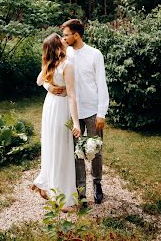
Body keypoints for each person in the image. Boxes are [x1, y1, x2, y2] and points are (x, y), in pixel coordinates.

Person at [47, 19, 109, 204]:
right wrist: (49, 87)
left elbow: (102, 84)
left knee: (95, 150)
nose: (64, 38)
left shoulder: (94, 54)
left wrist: (101, 113)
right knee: (76, 153)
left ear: (77, 34)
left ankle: (97, 183)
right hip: (70, 111)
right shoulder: (64, 54)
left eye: (66, 35)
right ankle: (80, 191)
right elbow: (49, 72)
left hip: (91, 111)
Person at [31, 32, 81, 208]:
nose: (63, 39)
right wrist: (76, 122)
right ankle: (61, 196)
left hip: (50, 107)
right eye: (61, 38)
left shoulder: (50, 63)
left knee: (53, 146)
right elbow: (72, 96)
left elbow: (39, 81)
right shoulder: (66, 65)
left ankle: (47, 185)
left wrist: (48, 86)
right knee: (60, 149)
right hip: (59, 108)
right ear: (57, 46)